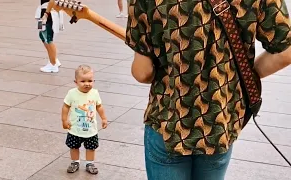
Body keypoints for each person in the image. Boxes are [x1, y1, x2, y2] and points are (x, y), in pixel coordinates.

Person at [125, 0, 291, 179]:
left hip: (169, 122)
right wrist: (237, 77)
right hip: (218, 123)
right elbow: (285, 52)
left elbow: (142, 73)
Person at [61, 64, 108, 175]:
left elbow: (99, 106)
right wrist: (64, 120)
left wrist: (104, 118)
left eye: (90, 81)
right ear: (76, 82)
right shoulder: (72, 93)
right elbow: (65, 107)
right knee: (73, 146)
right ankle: (75, 162)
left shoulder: (95, 93)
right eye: (83, 81)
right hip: (75, 128)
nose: (87, 84)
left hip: (91, 129)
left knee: (91, 148)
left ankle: (90, 163)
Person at [35, 0, 64, 73]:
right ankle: (53, 59)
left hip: (49, 12)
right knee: (42, 35)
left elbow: (52, 1)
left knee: (48, 38)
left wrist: (46, 13)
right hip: (47, 11)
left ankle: (53, 64)